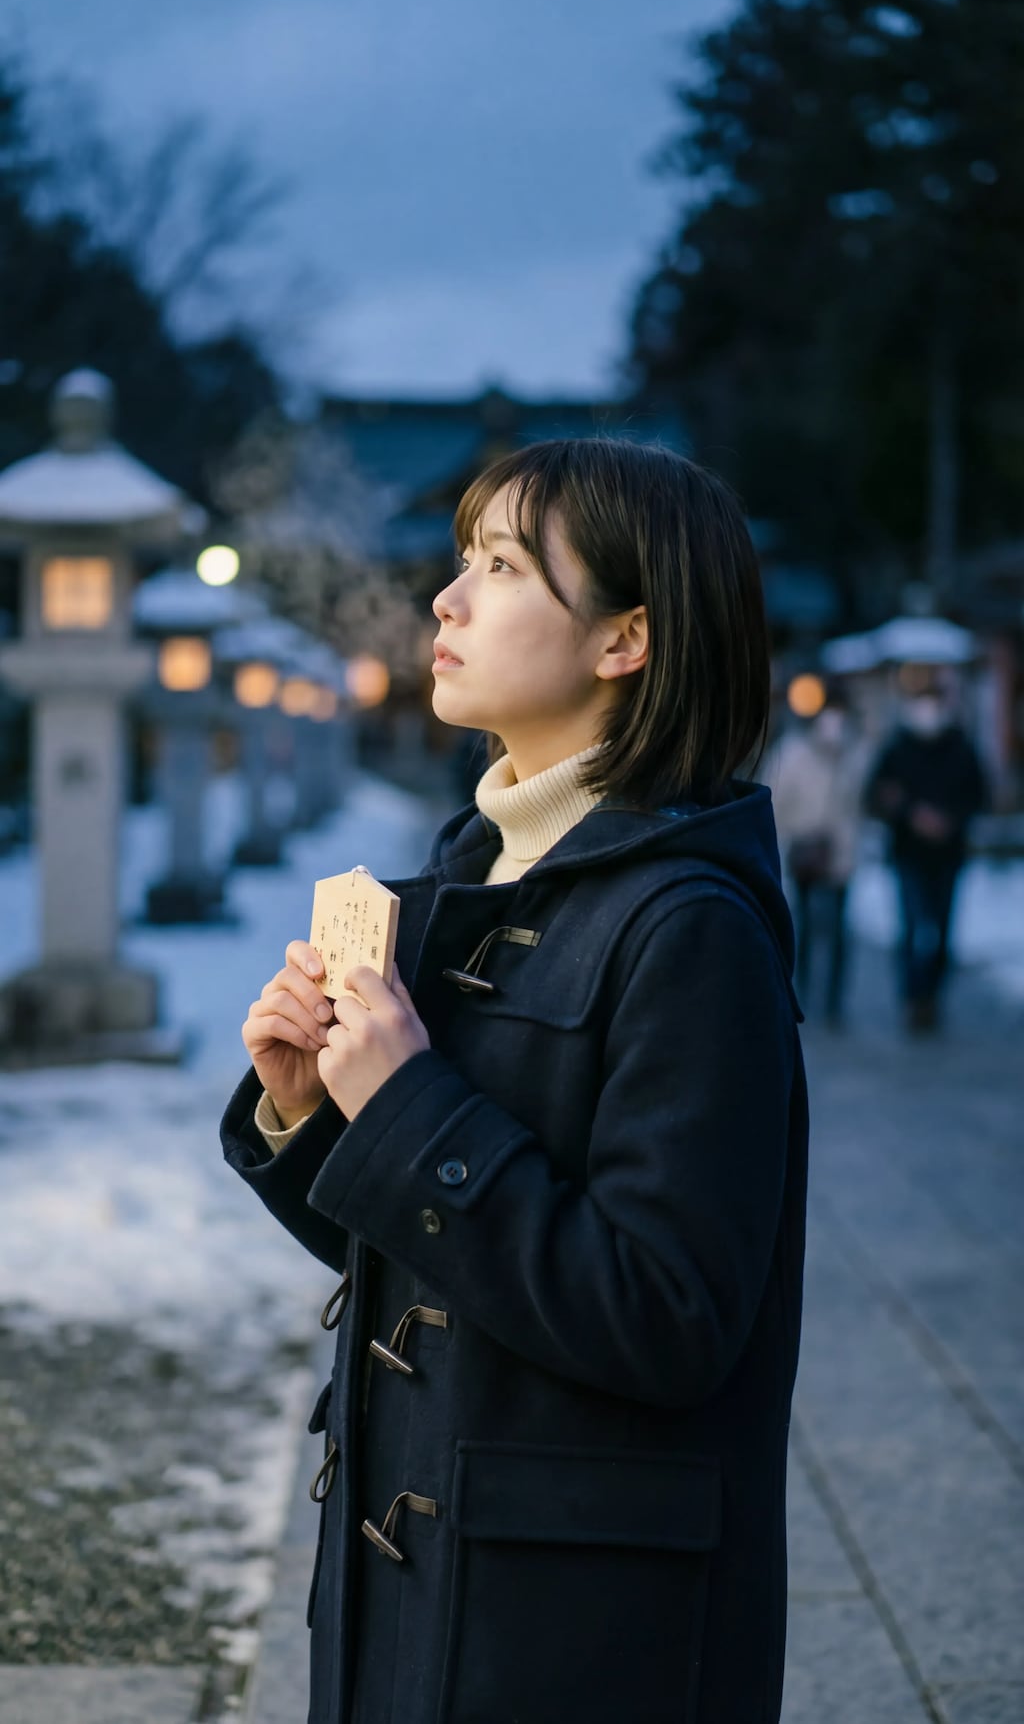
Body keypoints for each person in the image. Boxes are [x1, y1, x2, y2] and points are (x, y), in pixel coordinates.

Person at [222, 439, 809, 1724]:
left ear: (625, 639)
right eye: (459, 561)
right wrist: (315, 1115)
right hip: (420, 1572)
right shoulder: (478, 884)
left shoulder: (687, 926)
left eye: (498, 566)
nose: (446, 598)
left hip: (573, 1629)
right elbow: (450, 1258)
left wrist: (413, 1104)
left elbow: (665, 1311)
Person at [864, 668, 988, 1032]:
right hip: (908, 854)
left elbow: (978, 795)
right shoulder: (897, 747)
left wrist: (949, 820)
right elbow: (875, 795)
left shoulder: (961, 747)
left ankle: (932, 997)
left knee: (942, 932)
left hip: (949, 856)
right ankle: (912, 998)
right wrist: (909, 813)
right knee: (913, 928)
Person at [765, 682, 869, 1027]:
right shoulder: (792, 752)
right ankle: (806, 991)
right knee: (806, 925)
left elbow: (860, 805)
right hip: (806, 853)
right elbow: (776, 801)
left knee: (839, 930)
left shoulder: (857, 753)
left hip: (842, 853)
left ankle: (834, 1001)